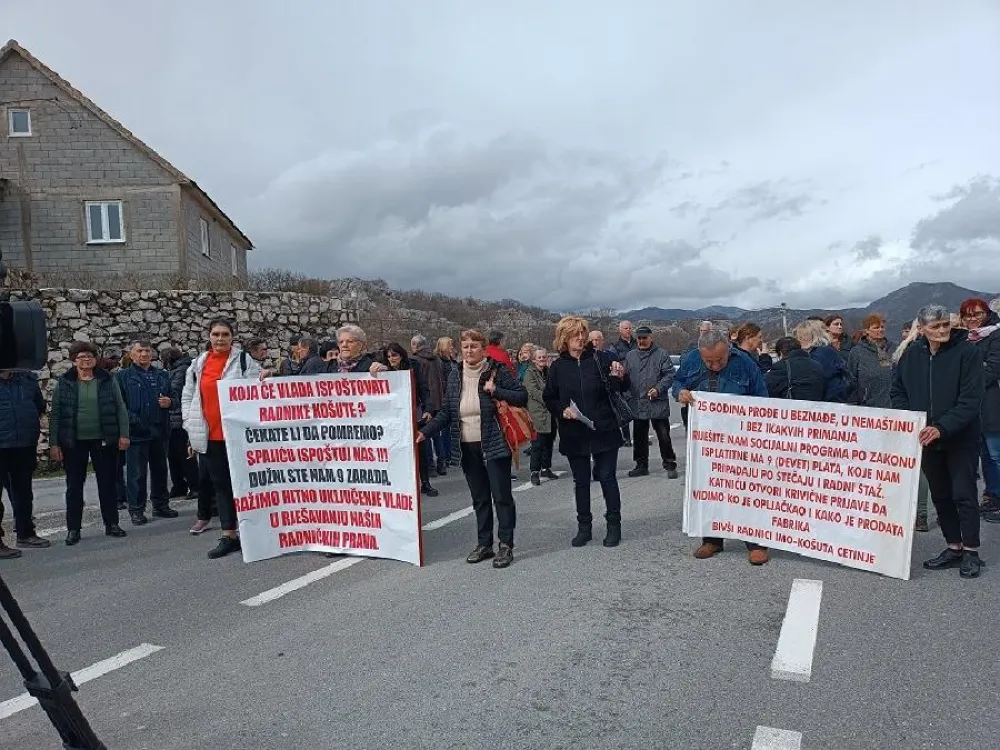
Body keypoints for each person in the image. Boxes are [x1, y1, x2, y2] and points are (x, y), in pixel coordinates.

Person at [419, 330, 527, 569]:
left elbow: (522, 395)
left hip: (494, 442)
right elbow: (447, 411)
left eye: (474, 346)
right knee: (479, 498)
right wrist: (425, 432)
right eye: (465, 346)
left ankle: (506, 545)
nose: (469, 351)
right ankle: (484, 544)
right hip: (467, 445)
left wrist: (495, 391)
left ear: (484, 349)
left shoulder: (496, 370)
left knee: (502, 497)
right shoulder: (455, 374)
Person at [891, 304, 985, 578]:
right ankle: (953, 546)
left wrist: (942, 427)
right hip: (926, 437)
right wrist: (910, 418)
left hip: (959, 437)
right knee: (941, 495)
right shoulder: (911, 355)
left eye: (946, 325)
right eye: (936, 327)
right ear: (922, 329)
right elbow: (898, 390)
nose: (943, 331)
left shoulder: (967, 352)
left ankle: (971, 551)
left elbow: (970, 400)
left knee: (963, 494)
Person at [673, 329, 770, 565]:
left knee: (746, 490)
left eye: (720, 360)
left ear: (729, 349)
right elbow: (677, 382)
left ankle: (756, 542)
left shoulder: (745, 363)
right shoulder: (690, 360)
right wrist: (680, 393)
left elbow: (762, 398)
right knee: (709, 488)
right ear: (700, 353)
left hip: (740, 440)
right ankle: (712, 539)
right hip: (705, 442)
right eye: (709, 361)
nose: (715, 365)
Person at [544, 316, 629, 548]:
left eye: (583, 333)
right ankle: (584, 527)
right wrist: (562, 410)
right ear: (564, 338)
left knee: (607, 477)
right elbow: (549, 397)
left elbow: (621, 387)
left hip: (604, 428)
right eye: (574, 334)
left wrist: (620, 376)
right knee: (581, 481)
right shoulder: (557, 368)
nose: (581, 338)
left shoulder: (602, 359)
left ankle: (614, 525)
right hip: (575, 432)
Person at [183, 318, 263, 559]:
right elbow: (188, 397)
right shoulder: (198, 364)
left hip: (238, 437)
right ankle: (229, 534)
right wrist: (190, 426)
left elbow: (260, 391)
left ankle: (255, 531)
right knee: (221, 486)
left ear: (232, 337)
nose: (220, 339)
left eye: (225, 334)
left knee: (246, 483)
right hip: (211, 437)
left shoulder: (243, 361)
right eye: (216, 334)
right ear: (209, 336)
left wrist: (265, 378)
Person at [49, 341, 130, 545]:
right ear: (74, 360)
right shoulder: (65, 382)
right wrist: (54, 443)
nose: (86, 360)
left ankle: (112, 524)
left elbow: (120, 407)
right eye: (81, 356)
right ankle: (73, 529)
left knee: (108, 484)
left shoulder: (107, 380)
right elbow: (56, 414)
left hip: (104, 439)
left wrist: (124, 434)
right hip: (73, 442)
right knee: (74, 486)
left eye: (90, 356)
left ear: (95, 359)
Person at [116, 339, 176, 525]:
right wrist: (134, 421)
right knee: (136, 473)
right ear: (131, 354)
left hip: (160, 429)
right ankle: (136, 509)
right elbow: (119, 405)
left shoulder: (162, 375)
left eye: (147, 351)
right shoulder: (122, 377)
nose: (144, 354)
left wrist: (170, 402)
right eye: (140, 351)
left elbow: (175, 397)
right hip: (137, 432)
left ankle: (161, 505)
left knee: (160, 470)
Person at [958, 298, 1000, 524]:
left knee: (997, 454)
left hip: (992, 403)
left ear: (986, 314)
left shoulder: (995, 336)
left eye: (977, 314)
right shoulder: (966, 339)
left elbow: (992, 370)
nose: (972, 319)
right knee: (986, 455)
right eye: (968, 315)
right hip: (974, 408)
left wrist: (967, 377)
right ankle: (992, 496)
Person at [0, 368, 48, 558]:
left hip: (23, 443)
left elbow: (38, 406)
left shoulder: (27, 379)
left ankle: (26, 533)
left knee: (23, 491)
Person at [382, 343, 438, 497]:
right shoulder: (384, 370)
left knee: (421, 449)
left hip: (413, 411)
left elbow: (423, 388)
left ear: (401, 355)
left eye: (394, 355)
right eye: (388, 356)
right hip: (394, 415)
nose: (391, 359)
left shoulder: (413, 368)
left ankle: (425, 482)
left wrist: (428, 409)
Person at [623, 326, 678, 479]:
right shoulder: (630, 356)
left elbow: (669, 375)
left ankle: (669, 463)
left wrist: (658, 389)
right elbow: (625, 378)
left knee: (664, 436)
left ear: (651, 338)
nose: (641, 341)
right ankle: (641, 465)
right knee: (639, 437)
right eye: (639, 338)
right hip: (638, 402)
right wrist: (627, 395)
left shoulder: (662, 354)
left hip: (657, 402)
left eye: (644, 338)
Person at [893, 319, 932, 531]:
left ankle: (917, 515)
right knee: (921, 467)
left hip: (913, 415)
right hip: (917, 415)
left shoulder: (903, 352)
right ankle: (921, 515)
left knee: (914, 466)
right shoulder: (910, 353)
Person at [162, 347, 199, 500]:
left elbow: (174, 391)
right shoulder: (179, 369)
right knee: (173, 455)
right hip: (173, 418)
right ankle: (179, 485)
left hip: (180, 417)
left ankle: (194, 486)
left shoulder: (182, 371)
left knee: (184, 454)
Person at [410, 334, 446, 491]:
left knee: (425, 436)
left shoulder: (417, 361)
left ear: (415, 346)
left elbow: (422, 384)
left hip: (426, 403)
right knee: (436, 434)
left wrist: (426, 404)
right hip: (438, 400)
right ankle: (442, 463)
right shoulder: (436, 359)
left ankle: (430, 467)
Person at [523, 346, 558, 486]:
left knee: (549, 442)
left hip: (551, 412)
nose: (543, 359)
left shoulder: (549, 372)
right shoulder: (529, 373)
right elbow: (533, 391)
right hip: (538, 412)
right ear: (534, 359)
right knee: (538, 444)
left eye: (544, 357)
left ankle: (546, 468)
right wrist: (548, 398)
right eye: (540, 357)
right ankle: (534, 471)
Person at [794, 320, 851, 403]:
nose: (798, 340)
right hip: (837, 400)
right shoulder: (828, 350)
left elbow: (814, 384)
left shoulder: (817, 356)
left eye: (800, 337)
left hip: (826, 403)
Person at [847, 314, 893, 408]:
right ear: (867, 330)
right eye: (876, 327)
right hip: (867, 408)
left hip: (892, 408)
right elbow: (851, 381)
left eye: (882, 327)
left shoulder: (893, 349)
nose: (880, 330)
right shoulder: (857, 352)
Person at [764, 337, 826, 401]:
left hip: (792, 408)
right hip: (815, 408)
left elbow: (765, 388)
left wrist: (764, 358)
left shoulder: (781, 367)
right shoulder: (817, 365)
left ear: (781, 353)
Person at [679, 321, 715, 429]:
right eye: (702, 331)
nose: (703, 333)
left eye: (706, 331)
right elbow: (683, 360)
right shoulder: (692, 345)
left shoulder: (717, 345)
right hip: (694, 386)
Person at [433, 337, 458, 474]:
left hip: (454, 396)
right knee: (445, 429)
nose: (451, 347)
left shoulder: (451, 361)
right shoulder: (439, 362)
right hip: (445, 397)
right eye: (449, 345)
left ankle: (451, 455)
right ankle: (446, 456)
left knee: (452, 427)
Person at [612, 321, 637, 447]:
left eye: (630, 328)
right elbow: (613, 363)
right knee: (625, 408)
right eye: (625, 328)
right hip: (624, 381)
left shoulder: (637, 343)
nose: (628, 330)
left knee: (640, 410)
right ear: (620, 330)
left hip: (638, 380)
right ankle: (626, 437)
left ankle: (639, 437)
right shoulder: (615, 346)